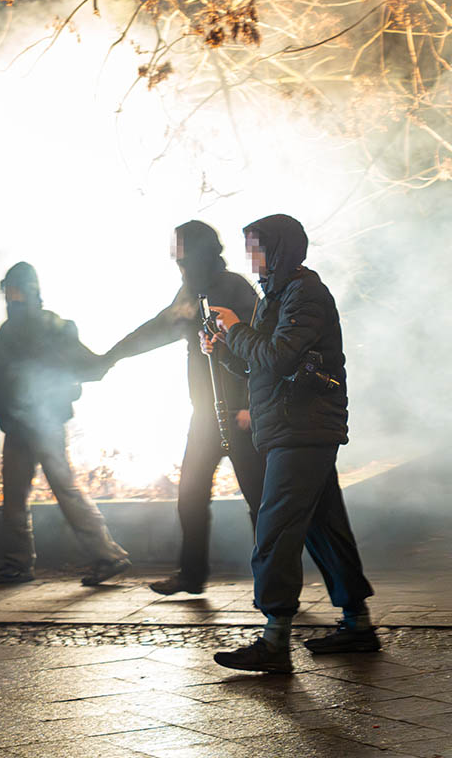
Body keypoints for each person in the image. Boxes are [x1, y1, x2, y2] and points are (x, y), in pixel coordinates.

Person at [207, 214, 376, 673]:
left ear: (281, 249)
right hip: (290, 427)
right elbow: (257, 366)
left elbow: (280, 357)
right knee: (323, 525)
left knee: (276, 529)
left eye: (258, 248)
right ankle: (357, 624)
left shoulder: (306, 293)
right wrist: (224, 345)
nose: (251, 259)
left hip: (303, 427)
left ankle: (274, 640)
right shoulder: (276, 297)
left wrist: (237, 329)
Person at [104, 223, 265, 595]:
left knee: (259, 500)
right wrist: (111, 357)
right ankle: (192, 576)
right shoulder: (191, 292)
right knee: (191, 495)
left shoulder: (234, 289)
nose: (172, 256)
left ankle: (274, 582)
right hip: (207, 416)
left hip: (240, 415)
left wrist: (250, 406)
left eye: (177, 248)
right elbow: (160, 327)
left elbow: (262, 349)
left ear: (193, 250)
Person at [0, 262, 130, 587]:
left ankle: (108, 556)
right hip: (21, 427)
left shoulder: (49, 326)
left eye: (14, 289)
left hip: (44, 424)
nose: (10, 296)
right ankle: (18, 564)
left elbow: (83, 364)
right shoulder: (15, 331)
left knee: (63, 490)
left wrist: (109, 359)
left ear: (28, 290)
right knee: (14, 498)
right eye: (7, 290)